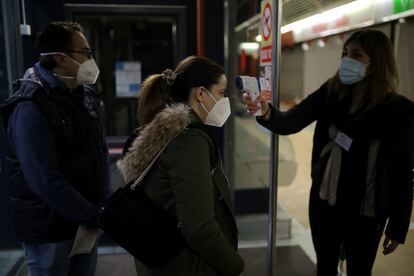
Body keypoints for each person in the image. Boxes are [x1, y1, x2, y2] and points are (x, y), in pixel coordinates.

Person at [243, 29, 414, 276]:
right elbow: (291, 121)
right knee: (324, 268)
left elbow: (403, 173)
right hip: (324, 205)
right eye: (344, 53)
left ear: (377, 61)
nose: (346, 60)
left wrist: (397, 226)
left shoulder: (399, 112)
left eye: (356, 55)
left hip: (367, 214)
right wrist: (266, 111)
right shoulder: (331, 93)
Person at [0, 21, 111, 276]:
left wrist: (101, 207)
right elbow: (44, 180)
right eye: (85, 52)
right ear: (62, 58)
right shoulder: (29, 105)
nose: (91, 59)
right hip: (50, 230)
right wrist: (92, 214)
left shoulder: (86, 95)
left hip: (86, 224)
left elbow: (99, 152)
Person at [117, 56, 244, 276]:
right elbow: (200, 228)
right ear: (201, 94)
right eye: (221, 92)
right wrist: (235, 266)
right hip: (188, 265)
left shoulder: (163, 132)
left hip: (164, 260)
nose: (225, 100)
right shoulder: (188, 142)